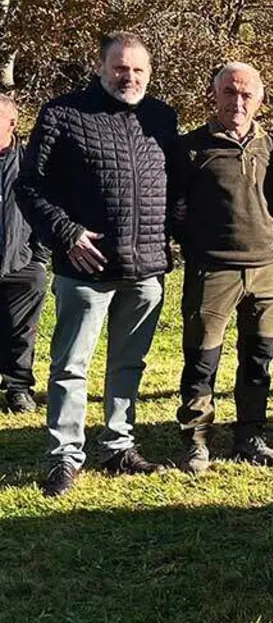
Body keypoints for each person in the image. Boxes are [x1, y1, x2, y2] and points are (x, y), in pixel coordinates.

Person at [18, 32, 176, 497]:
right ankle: (65, 455)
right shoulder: (63, 113)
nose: (129, 77)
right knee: (71, 365)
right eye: (120, 68)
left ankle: (119, 445)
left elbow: (176, 182)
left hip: (146, 266)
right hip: (85, 268)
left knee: (129, 364)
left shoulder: (161, 117)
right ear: (102, 67)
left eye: (138, 70)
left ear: (149, 73)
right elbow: (29, 186)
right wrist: (66, 233)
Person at [169, 62, 273, 472]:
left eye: (247, 94)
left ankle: (250, 436)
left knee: (258, 358)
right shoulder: (189, 149)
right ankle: (197, 440)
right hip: (212, 270)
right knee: (202, 359)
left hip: (267, 270)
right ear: (215, 96)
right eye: (230, 93)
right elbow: (170, 207)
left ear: (260, 100)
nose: (238, 102)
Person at [0, 94, 48, 415]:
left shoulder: (29, 163)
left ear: (12, 123)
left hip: (21, 262)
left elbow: (46, 212)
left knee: (21, 328)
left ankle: (17, 386)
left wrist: (38, 258)